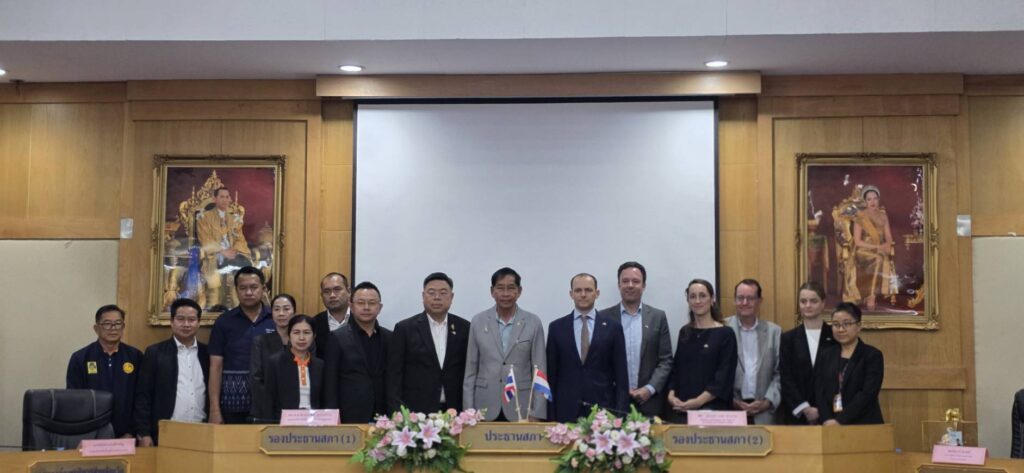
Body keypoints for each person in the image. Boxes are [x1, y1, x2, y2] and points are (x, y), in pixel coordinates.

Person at [464, 267, 547, 422]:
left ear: (519, 291)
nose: (505, 294)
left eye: (511, 288)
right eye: (500, 288)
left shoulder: (533, 322)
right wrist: (468, 412)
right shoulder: (478, 321)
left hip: (521, 406)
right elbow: (470, 370)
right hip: (484, 406)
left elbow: (540, 370)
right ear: (492, 291)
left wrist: (538, 412)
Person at [547, 273, 629, 422]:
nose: (583, 294)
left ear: (597, 293)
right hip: (565, 409)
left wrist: (620, 415)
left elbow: (621, 376)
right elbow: (551, 376)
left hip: (603, 410)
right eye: (578, 290)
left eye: (588, 290)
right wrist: (551, 416)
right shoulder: (556, 328)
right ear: (571, 294)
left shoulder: (613, 328)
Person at [596, 262, 673, 418]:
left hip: (650, 403)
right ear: (619, 285)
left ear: (643, 286)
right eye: (625, 281)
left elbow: (665, 360)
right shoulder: (602, 318)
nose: (630, 285)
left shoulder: (658, 317)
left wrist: (649, 389)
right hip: (613, 402)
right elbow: (598, 361)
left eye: (636, 281)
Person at [387, 272, 471, 414]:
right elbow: (394, 376)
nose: (437, 297)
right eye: (431, 293)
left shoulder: (464, 328)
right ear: (423, 296)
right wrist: (398, 412)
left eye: (443, 293)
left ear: (451, 297)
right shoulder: (405, 329)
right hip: (416, 413)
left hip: (455, 410)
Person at [134, 298, 209, 446]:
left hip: (203, 431)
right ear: (172, 321)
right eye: (180, 319)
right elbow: (143, 395)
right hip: (166, 431)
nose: (186, 324)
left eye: (191, 320)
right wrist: (143, 432)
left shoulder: (208, 353)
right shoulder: (155, 352)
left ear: (198, 323)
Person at [207, 266, 275, 424]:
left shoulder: (275, 319)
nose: (249, 292)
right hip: (232, 406)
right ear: (236, 290)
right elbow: (215, 367)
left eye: (254, 287)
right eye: (243, 288)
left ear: (264, 289)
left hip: (268, 404)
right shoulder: (224, 322)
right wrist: (214, 409)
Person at [66, 304, 144, 438]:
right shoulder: (80, 358)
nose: (113, 328)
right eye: (107, 324)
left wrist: (132, 432)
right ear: (96, 328)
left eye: (118, 323)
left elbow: (141, 397)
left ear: (123, 327)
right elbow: (74, 400)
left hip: (126, 434)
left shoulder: (135, 356)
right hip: (90, 433)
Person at [666, 279, 737, 423]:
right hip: (682, 408)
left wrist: (698, 401)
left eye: (702, 296)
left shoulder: (726, 334)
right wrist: (671, 395)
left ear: (712, 299)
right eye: (692, 296)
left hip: (713, 412)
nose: (697, 301)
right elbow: (676, 369)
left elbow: (724, 377)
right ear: (688, 301)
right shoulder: (685, 332)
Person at [327, 281, 392, 423]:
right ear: (351, 306)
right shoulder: (337, 338)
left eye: (372, 303)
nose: (366, 307)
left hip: (384, 415)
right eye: (361, 303)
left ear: (380, 308)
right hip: (350, 415)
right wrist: (332, 418)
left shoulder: (390, 338)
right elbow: (330, 383)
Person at [724, 279, 782, 425]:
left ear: (759, 300)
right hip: (729, 411)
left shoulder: (774, 332)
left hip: (764, 414)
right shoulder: (721, 329)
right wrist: (731, 400)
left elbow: (780, 373)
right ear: (734, 300)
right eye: (740, 298)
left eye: (750, 298)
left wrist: (767, 402)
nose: (745, 302)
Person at [816, 303, 885, 425]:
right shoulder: (825, 355)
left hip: (863, 424)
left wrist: (840, 421)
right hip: (829, 425)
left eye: (846, 324)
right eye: (836, 324)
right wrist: (827, 419)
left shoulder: (872, 355)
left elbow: (868, 394)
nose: (840, 329)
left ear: (858, 326)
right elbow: (819, 390)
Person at [779, 281, 837, 424]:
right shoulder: (788, 338)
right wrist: (805, 408)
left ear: (823, 303)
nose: (808, 305)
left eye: (813, 301)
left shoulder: (836, 336)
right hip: (798, 415)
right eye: (803, 301)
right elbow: (786, 377)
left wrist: (824, 410)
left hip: (831, 415)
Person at [196, 186, 253, 308]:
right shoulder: (204, 217)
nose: (225, 200)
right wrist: (222, 251)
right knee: (214, 290)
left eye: (227, 197)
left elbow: (240, 239)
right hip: (214, 256)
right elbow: (205, 240)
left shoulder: (235, 219)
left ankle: (238, 310)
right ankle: (214, 309)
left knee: (240, 281)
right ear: (214, 199)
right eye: (221, 197)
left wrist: (234, 250)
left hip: (233, 255)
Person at [265, 315, 327, 419]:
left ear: (314, 336)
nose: (301, 338)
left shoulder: (319, 365)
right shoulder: (275, 362)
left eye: (307, 332)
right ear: (289, 335)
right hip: (283, 423)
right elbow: (268, 399)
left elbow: (323, 400)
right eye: (296, 332)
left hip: (313, 421)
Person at [249, 293, 296, 422]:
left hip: (296, 410)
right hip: (266, 409)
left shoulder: (302, 342)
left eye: (286, 309)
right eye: (276, 309)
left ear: (294, 312)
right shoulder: (260, 341)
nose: (281, 313)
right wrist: (270, 404)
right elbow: (256, 378)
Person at [851, 185, 896, 311]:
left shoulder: (883, 215)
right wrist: (878, 247)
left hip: (879, 249)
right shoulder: (860, 216)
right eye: (869, 199)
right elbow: (857, 242)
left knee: (881, 256)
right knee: (879, 258)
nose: (872, 202)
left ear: (878, 200)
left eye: (875, 198)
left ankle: (872, 295)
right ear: (865, 201)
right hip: (863, 250)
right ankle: (871, 296)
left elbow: (889, 237)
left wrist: (887, 245)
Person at [311, 272, 350, 360]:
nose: (332, 295)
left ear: (349, 291)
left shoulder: (361, 320)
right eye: (326, 291)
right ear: (322, 296)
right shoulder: (314, 324)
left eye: (337, 289)